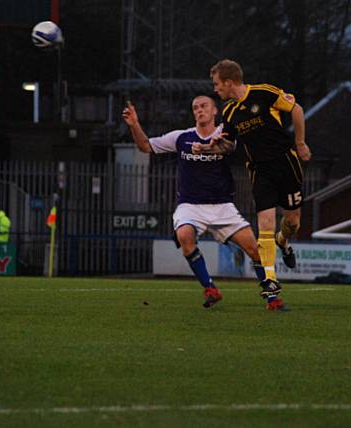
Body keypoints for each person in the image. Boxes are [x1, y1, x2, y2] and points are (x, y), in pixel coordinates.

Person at [122, 95, 288, 311]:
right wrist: (134, 124)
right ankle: (210, 288)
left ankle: (272, 299)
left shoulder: (225, 133)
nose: (199, 110)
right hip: (190, 206)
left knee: (255, 250)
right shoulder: (181, 138)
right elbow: (145, 146)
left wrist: (210, 148)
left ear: (214, 111)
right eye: (195, 108)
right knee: (184, 236)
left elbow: (228, 147)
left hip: (222, 206)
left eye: (204, 106)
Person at [203, 59, 312, 288]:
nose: (215, 89)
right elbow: (229, 145)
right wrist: (209, 147)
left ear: (229, 82)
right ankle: (270, 279)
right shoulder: (229, 112)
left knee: (293, 221)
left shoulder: (263, 93)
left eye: (217, 84)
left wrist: (300, 144)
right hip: (259, 170)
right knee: (265, 223)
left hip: (285, 164)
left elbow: (297, 109)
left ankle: (283, 241)